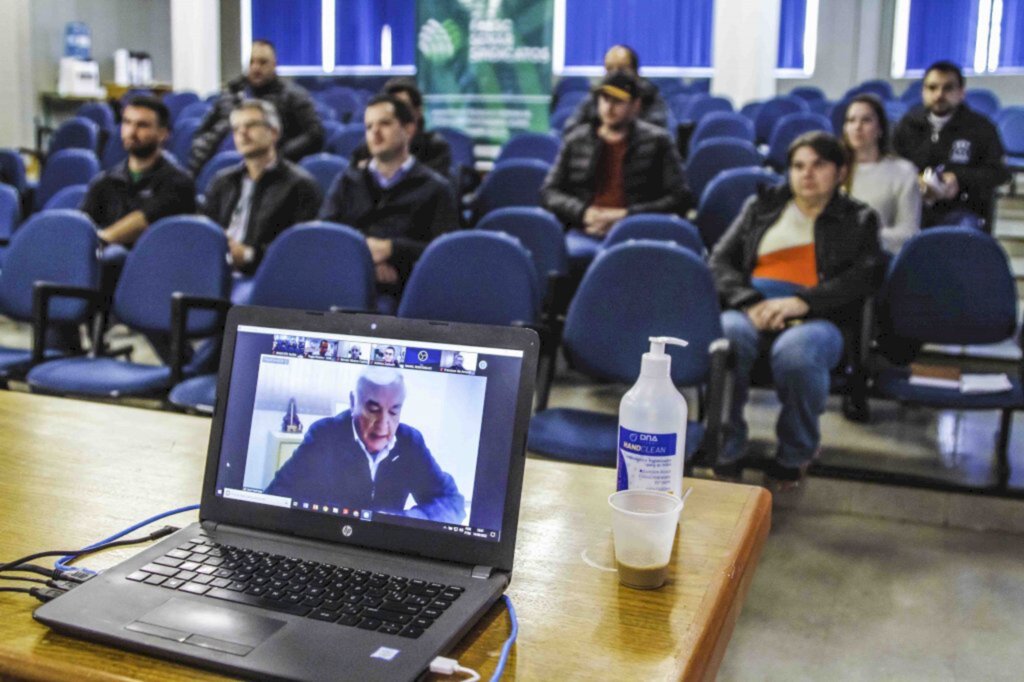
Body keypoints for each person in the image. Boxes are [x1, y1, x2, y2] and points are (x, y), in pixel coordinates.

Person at [709, 132, 882, 489]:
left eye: (819, 165)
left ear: (840, 171)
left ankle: (796, 450)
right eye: (798, 166)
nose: (807, 174)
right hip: (752, 306)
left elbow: (865, 276)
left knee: (797, 354)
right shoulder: (761, 207)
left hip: (819, 315)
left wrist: (805, 302)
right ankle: (727, 443)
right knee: (727, 338)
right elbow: (719, 261)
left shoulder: (859, 219)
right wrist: (749, 301)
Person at [265, 367, 466, 524]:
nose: (383, 424)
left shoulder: (410, 442)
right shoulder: (324, 434)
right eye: (373, 409)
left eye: (394, 411)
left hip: (383, 551)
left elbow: (452, 502)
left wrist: (400, 521)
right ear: (353, 403)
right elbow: (276, 497)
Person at [319, 95, 458, 294]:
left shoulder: (436, 188)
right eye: (368, 127)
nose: (374, 132)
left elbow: (446, 254)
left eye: (384, 124)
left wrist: (392, 249)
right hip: (346, 280)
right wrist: (367, 262)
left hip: (407, 289)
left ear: (409, 129)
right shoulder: (347, 181)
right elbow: (325, 236)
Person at [541, 71, 691, 240]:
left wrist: (625, 215)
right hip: (586, 229)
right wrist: (584, 212)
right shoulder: (576, 140)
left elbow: (679, 197)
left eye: (618, 101)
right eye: (604, 99)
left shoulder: (658, 141)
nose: (609, 107)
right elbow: (549, 192)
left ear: (636, 105)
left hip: (637, 230)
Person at [203, 100, 321, 275]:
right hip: (216, 269)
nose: (242, 133)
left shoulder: (300, 185)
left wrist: (248, 255)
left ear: (274, 132)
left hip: (265, 276)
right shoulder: (222, 181)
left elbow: (299, 248)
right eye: (236, 129)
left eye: (251, 125)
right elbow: (204, 229)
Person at [893, 60, 1010, 230]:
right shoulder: (908, 125)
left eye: (948, 88)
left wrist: (958, 178)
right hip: (914, 206)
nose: (939, 94)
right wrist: (915, 180)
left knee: (962, 231)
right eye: (932, 88)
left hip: (963, 208)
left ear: (961, 93)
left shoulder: (981, 128)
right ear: (923, 91)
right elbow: (893, 164)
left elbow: (999, 173)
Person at [188, 39, 323, 175]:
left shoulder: (292, 97)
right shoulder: (230, 94)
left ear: (274, 65)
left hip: (266, 170)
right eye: (252, 62)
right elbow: (203, 131)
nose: (256, 67)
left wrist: (276, 154)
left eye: (263, 62)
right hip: (216, 167)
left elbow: (314, 135)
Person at [81, 95, 196, 247]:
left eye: (142, 125)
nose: (131, 132)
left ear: (163, 134)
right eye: (127, 122)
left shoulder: (179, 183)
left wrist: (98, 241)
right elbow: (82, 225)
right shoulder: (105, 181)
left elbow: (143, 220)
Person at [842, 94, 921, 255]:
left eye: (866, 120)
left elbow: (909, 231)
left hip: (879, 257)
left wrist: (862, 237)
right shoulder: (833, 170)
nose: (857, 127)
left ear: (880, 129)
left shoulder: (903, 171)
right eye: (851, 120)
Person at [349, 78, 451, 178]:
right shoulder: (369, 147)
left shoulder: (435, 148)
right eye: (391, 109)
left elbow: (429, 187)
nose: (397, 114)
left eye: (403, 107)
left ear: (419, 111)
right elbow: (351, 183)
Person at [562, 45, 669, 130]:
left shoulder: (649, 97)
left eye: (622, 69)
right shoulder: (596, 97)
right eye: (609, 69)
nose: (615, 74)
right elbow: (571, 127)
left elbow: (657, 129)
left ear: (635, 72)